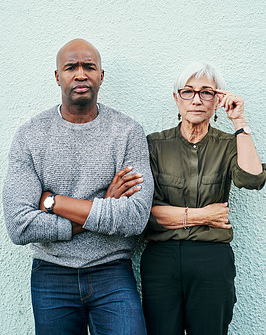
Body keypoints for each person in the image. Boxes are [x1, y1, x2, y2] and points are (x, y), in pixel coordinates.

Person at [3, 38, 154, 335]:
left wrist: (53, 202)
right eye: (71, 67)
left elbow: (136, 218)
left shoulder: (127, 133)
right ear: (58, 77)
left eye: (89, 66)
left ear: (101, 75)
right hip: (51, 274)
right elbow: (19, 226)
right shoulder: (30, 136)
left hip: (112, 270)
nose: (81, 74)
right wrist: (102, 208)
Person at [140, 62, 265, 335]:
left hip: (212, 260)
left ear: (217, 99)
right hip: (162, 260)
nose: (196, 99)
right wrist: (205, 215)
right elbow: (147, 213)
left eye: (206, 92)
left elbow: (253, 179)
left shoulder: (229, 144)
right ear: (177, 98)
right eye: (188, 92)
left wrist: (240, 123)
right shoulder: (153, 145)